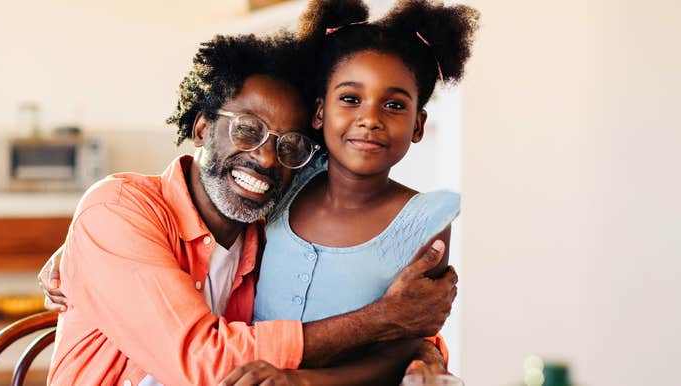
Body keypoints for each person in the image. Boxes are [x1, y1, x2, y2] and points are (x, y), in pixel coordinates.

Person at [42, 32, 459, 386]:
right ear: (202, 128)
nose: (265, 159)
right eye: (246, 130)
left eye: (288, 145)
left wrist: (422, 347)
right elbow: (208, 364)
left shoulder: (263, 229)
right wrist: (381, 320)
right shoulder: (118, 211)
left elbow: (369, 306)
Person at [219, 0, 479, 384]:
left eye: (393, 105)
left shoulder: (426, 220)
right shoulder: (291, 181)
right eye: (351, 99)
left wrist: (301, 381)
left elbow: (405, 348)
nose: (370, 119)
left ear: (418, 125)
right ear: (320, 112)